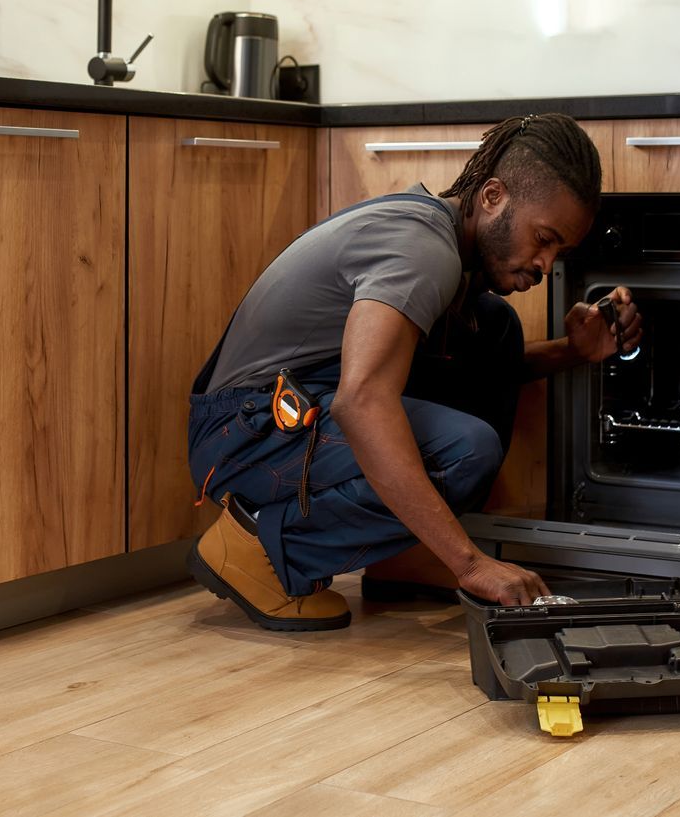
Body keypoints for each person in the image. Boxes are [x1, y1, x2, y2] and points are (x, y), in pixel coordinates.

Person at [184, 113, 642, 631]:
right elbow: (360, 402)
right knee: (466, 449)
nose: (545, 263)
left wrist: (572, 351)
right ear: (492, 196)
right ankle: (264, 549)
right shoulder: (423, 251)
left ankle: (398, 557)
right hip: (244, 433)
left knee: (493, 329)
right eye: (543, 238)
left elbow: (476, 371)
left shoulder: (446, 242)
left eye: (559, 250)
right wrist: (469, 563)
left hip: (271, 415)